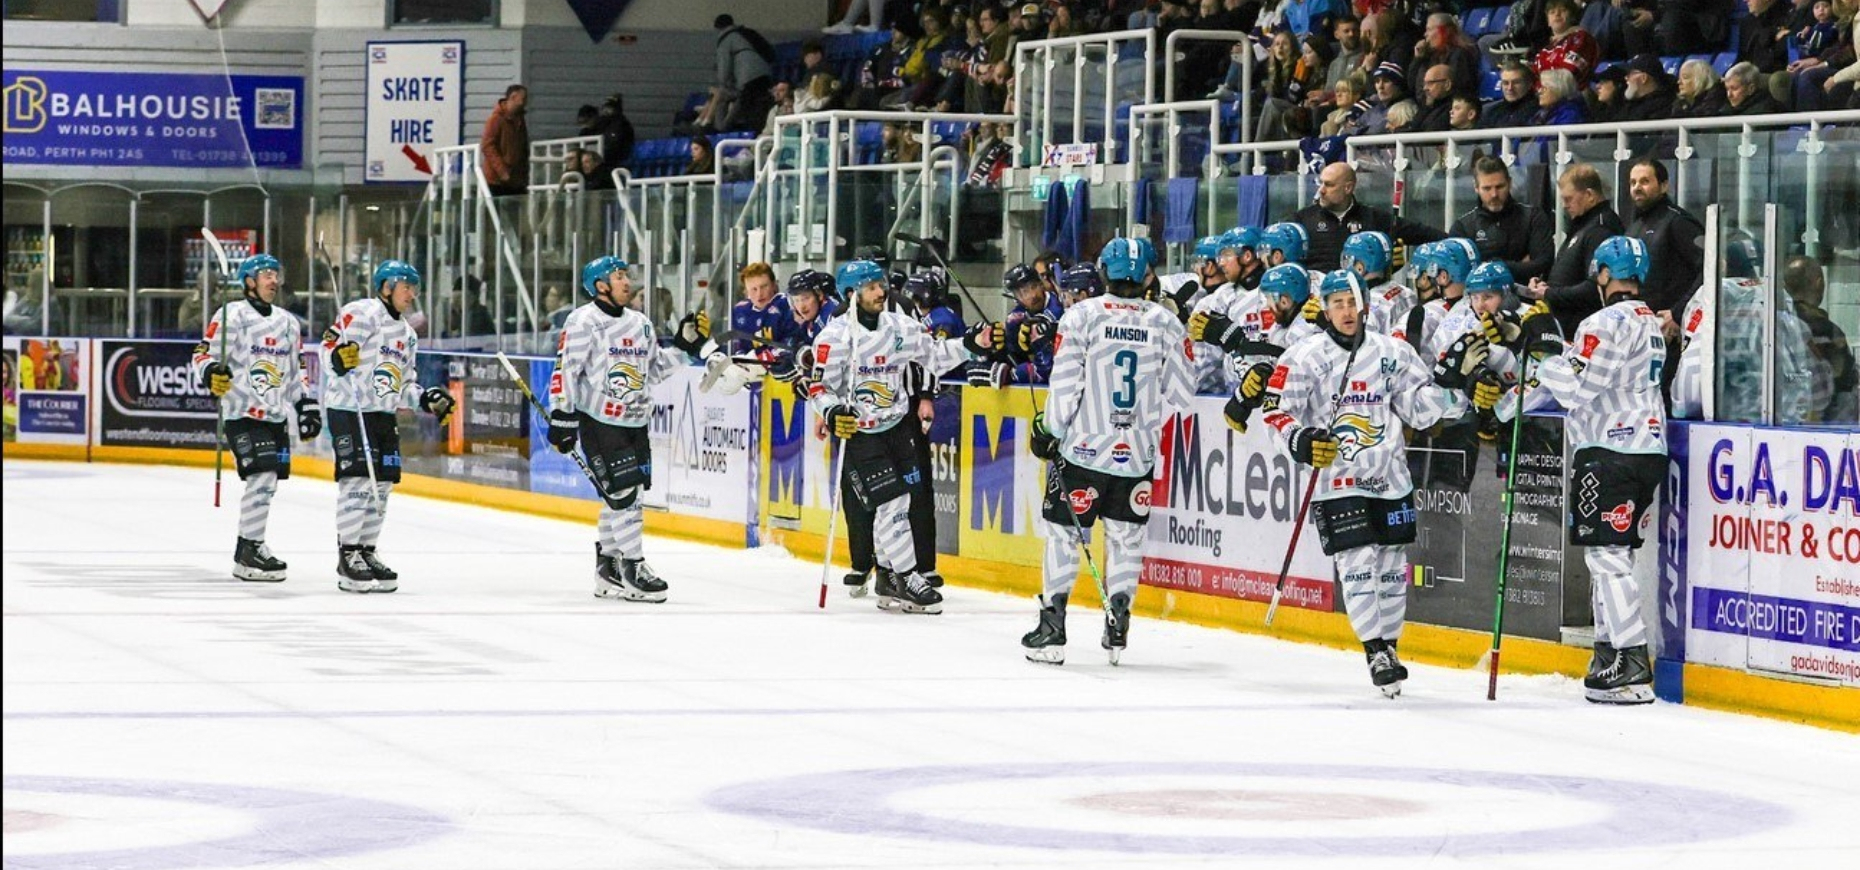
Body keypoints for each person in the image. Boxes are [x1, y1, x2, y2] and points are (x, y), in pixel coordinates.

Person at [1261, 269, 1496, 695]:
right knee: (1355, 562)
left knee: (1390, 567)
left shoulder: (1393, 352)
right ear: (1325, 309)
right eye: (1337, 304)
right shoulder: (1304, 356)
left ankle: (1389, 647)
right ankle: (1374, 651)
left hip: (1390, 477)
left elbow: (1419, 409)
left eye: (1352, 302)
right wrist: (1301, 440)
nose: (1346, 311)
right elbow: (1275, 411)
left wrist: (1455, 387)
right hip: (1339, 479)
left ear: (1365, 306)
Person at [1498, 237, 1666, 705]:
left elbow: (1574, 390)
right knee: (1612, 554)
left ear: (1605, 274)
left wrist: (1547, 350)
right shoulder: (1650, 322)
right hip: (1646, 448)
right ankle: (1608, 653)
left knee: (1606, 557)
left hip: (1610, 449)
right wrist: (1511, 403)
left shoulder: (1603, 322)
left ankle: (1631, 661)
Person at [1021, 238, 1194, 665]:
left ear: (1104, 271)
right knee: (1127, 538)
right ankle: (1118, 624)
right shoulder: (1166, 323)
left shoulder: (1082, 316)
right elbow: (1183, 394)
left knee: (1063, 535)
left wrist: (1050, 429)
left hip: (1083, 451)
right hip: (1136, 455)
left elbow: (1065, 384)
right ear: (1147, 273)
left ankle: (1052, 628)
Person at [810, 259, 995, 614]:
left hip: (898, 427)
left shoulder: (901, 326)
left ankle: (886, 575)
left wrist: (972, 343)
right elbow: (819, 387)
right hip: (862, 436)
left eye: (880, 284)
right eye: (871, 287)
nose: (881, 291)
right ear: (851, 295)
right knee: (892, 504)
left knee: (902, 503)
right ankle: (909, 578)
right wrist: (832, 412)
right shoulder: (834, 338)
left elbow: (935, 356)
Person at [546, 257, 693, 602]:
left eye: (627, 275)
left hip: (636, 422)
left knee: (625, 496)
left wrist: (684, 347)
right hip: (600, 421)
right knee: (624, 496)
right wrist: (562, 415)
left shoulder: (640, 323)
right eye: (619, 277)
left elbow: (654, 370)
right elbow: (566, 369)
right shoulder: (583, 321)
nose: (627, 282)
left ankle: (608, 568)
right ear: (600, 286)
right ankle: (633, 567)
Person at [321, 260, 455, 593]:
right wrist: (338, 358)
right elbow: (328, 349)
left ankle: (367, 550)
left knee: (382, 484)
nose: (412, 294)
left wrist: (426, 399)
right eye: (406, 287)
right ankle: (348, 554)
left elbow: (404, 384)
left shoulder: (407, 334)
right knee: (357, 481)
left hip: (382, 413)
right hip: (350, 409)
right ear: (386, 287)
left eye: (414, 288)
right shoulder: (361, 313)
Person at [190, 254, 318, 583]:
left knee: (269, 483)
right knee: (262, 477)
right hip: (242, 412)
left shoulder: (289, 323)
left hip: (276, 415)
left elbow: (297, 372)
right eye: (266, 275)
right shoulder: (232, 315)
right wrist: (211, 372)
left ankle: (248, 549)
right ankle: (250, 548)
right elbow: (202, 355)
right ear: (249, 281)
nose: (274, 281)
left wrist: (305, 404)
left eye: (276, 274)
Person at [1290, 161, 1446, 273]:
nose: (1321, 190)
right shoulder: (1302, 220)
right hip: (1315, 301)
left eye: (1329, 185)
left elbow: (1426, 234)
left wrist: (1386, 264)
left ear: (1348, 188)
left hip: (1364, 299)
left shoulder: (1374, 218)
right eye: (1321, 183)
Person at [1526, 163, 1625, 338]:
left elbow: (1595, 288)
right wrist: (1545, 285)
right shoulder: (1583, 225)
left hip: (1584, 330)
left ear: (1589, 195)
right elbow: (1571, 273)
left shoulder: (1600, 229)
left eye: (1568, 199)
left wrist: (1549, 293)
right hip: (1569, 327)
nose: (1564, 205)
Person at [1624, 158, 1704, 352]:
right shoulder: (1635, 226)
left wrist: (1678, 313)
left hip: (1671, 334)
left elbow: (1712, 267)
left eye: (1645, 181)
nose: (1637, 187)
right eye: (1633, 182)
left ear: (1664, 185)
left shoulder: (1678, 222)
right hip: (1641, 332)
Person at [1449, 156, 1556, 285]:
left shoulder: (1533, 218)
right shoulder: (1463, 227)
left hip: (1525, 296)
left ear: (1510, 183)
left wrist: (1483, 266)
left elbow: (1543, 264)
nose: (1494, 194)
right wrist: (1518, 266)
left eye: (1499, 187)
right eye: (1487, 188)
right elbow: (1459, 273)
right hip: (1478, 297)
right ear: (1476, 188)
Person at [1784, 256, 1859, 424]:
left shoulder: (1776, 323)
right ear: (1819, 283)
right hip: (1826, 420)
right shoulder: (1825, 329)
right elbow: (1842, 378)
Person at [1000, 263, 1064, 384]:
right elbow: (1012, 351)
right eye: (1024, 292)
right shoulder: (1016, 317)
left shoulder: (1059, 306)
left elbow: (1046, 369)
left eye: (1034, 286)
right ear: (1016, 298)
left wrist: (1015, 374)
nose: (1032, 295)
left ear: (1041, 284)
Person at [714, 15, 777, 133]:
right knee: (759, 108)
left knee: (739, 102)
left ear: (718, 28)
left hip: (748, 79)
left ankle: (720, 129)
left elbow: (724, 67)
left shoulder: (726, 39)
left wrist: (723, 85)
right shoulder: (746, 33)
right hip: (766, 75)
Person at [1530, 0, 1599, 87]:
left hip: (1571, 92)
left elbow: (1570, 74)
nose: (1557, 14)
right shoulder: (1543, 52)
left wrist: (1544, 87)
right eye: (1552, 12)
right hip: (1546, 93)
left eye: (1563, 10)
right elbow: (1534, 80)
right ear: (1548, 22)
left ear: (1572, 17)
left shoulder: (1581, 38)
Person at [480, 84, 529, 197]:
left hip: (516, 180)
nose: (526, 102)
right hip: (497, 181)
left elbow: (523, 147)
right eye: (523, 98)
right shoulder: (496, 119)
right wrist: (502, 171)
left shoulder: (520, 120)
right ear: (513, 97)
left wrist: (524, 174)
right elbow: (487, 146)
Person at [1481, 62, 1539, 129]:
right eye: (1505, 83)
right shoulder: (1490, 112)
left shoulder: (1540, 111)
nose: (1510, 88)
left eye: (1516, 82)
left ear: (1529, 84)